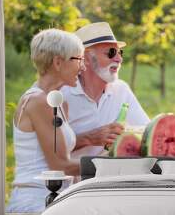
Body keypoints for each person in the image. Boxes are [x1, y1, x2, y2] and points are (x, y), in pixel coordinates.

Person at [7, 29, 86, 213]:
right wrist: (109, 163)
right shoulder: (39, 101)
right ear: (58, 62)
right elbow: (59, 166)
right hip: (35, 204)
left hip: (54, 201)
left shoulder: (57, 102)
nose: (83, 67)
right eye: (78, 59)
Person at [61, 22, 150, 157]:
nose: (119, 59)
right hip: (69, 177)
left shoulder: (121, 90)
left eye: (120, 52)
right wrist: (89, 138)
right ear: (86, 59)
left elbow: (146, 132)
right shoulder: (61, 95)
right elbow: (50, 148)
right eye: (111, 52)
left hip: (108, 176)